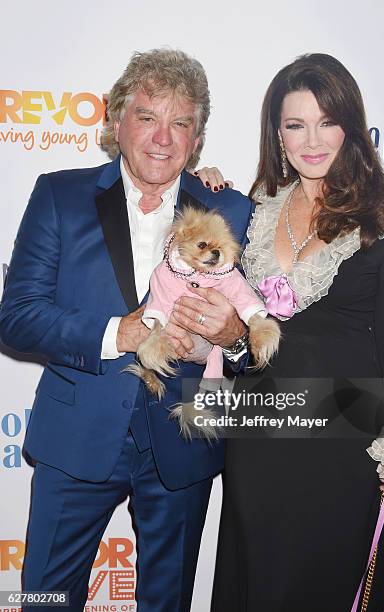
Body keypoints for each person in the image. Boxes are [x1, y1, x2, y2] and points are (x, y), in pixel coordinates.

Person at [174, 54, 384, 611]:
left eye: (326, 121)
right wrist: (209, 188)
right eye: (295, 124)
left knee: (321, 580)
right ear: (277, 132)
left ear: (351, 125)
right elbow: (207, 274)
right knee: (257, 577)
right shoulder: (256, 207)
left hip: (342, 438)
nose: (312, 140)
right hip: (262, 430)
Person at [0, 48, 252, 612]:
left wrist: (234, 331)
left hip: (182, 444)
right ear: (117, 121)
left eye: (181, 123)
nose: (163, 138)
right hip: (76, 438)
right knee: (43, 596)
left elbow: (255, 327)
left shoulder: (231, 209)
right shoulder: (58, 194)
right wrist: (121, 332)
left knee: (168, 604)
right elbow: (15, 315)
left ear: (196, 138)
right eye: (147, 116)